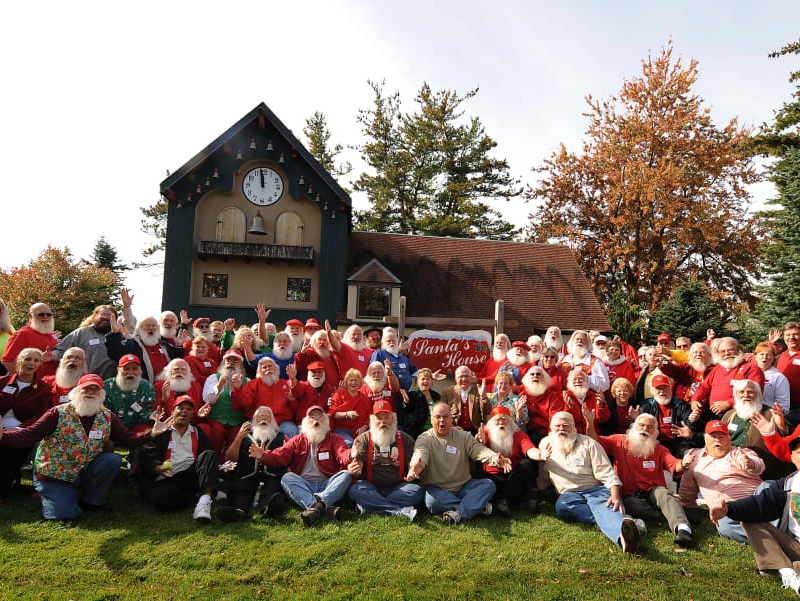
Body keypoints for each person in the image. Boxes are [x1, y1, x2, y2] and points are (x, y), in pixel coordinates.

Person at [0, 374, 171, 520]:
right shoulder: (57, 413)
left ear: (101, 394)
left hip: (82, 470)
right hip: (54, 474)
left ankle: (91, 501)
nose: (90, 392)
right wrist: (3, 436)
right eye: (86, 388)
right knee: (63, 515)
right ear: (76, 391)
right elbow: (29, 435)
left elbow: (128, 438)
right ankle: (57, 494)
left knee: (112, 459)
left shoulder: (107, 416)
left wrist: (152, 434)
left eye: (95, 389)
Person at [584, 411, 695, 547]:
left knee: (664, 495)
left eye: (650, 427)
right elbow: (594, 441)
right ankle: (676, 513)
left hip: (654, 489)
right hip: (629, 494)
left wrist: (684, 463)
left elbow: (675, 465)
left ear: (655, 432)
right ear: (633, 427)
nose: (645, 429)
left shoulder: (660, 449)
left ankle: (684, 529)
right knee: (634, 507)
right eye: (641, 425)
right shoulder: (618, 441)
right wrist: (590, 423)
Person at [709, 434, 800, 594]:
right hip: (794, 545)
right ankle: (788, 573)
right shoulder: (788, 484)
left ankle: (781, 566)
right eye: (799, 453)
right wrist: (728, 509)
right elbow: (760, 503)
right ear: (792, 457)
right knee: (749, 520)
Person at [538, 411, 641, 552]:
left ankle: (623, 539)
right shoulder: (545, 444)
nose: (561, 429)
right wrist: (539, 489)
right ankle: (619, 519)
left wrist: (615, 496)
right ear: (551, 428)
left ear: (573, 427)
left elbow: (607, 471)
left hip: (596, 489)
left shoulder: (588, 443)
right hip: (569, 495)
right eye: (557, 426)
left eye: (565, 426)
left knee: (609, 504)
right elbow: (544, 473)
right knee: (562, 507)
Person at [406, 401, 511, 525]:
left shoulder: (464, 436)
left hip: (464, 486)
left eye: (445, 416)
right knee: (432, 502)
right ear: (432, 419)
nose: (441, 420)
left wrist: (495, 458)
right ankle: (475, 506)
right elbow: (420, 454)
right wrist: (415, 467)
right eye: (437, 417)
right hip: (438, 490)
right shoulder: (425, 438)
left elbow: (479, 451)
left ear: (452, 419)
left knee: (488, 485)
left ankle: (461, 512)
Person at [249, 405, 352, 526]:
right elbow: (280, 455)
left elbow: (343, 454)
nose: (316, 419)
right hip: (304, 485)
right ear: (305, 421)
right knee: (287, 478)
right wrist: (263, 456)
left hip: (327, 484)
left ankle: (316, 506)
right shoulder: (298, 440)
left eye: (319, 416)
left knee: (346, 475)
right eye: (312, 416)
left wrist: (351, 455)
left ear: (326, 420)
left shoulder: (334, 439)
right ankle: (323, 507)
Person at [679, 420, 765, 543]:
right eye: (713, 437)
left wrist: (750, 464)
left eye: (721, 437)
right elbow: (686, 490)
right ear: (705, 438)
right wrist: (686, 507)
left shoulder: (740, 452)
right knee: (725, 527)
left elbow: (759, 465)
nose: (717, 440)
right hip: (727, 508)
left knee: (770, 489)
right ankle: (770, 539)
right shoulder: (694, 459)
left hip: (756, 499)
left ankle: (783, 529)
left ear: (729, 439)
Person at [136, 394, 219, 522]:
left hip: (192, 474)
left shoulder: (196, 431)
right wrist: (158, 467)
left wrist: (219, 466)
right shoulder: (162, 430)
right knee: (160, 499)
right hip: (168, 477)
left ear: (192, 414)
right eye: (180, 408)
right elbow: (147, 455)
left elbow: (208, 455)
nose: (184, 412)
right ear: (172, 411)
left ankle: (204, 502)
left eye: (188, 409)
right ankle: (201, 495)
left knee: (209, 454)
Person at [347, 400, 423, 519]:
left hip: (398, 488)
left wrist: (412, 472)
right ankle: (400, 511)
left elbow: (411, 466)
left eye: (386, 417)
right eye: (379, 418)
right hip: (371, 487)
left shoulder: (405, 439)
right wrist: (353, 469)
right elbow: (358, 467)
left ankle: (369, 506)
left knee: (416, 491)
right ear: (372, 421)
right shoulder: (364, 439)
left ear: (393, 419)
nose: (383, 422)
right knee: (355, 489)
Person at [0, 348, 53, 504]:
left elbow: (40, 416)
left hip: (24, 432)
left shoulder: (44, 388)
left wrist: (17, 430)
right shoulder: (2, 381)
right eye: (28, 359)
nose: (31, 363)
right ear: (19, 361)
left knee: (10, 449)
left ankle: (1, 492)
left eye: (36, 360)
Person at [217, 406, 287, 522]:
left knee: (272, 487)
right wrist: (239, 438)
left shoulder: (280, 436)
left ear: (272, 420)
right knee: (241, 487)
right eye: (260, 416)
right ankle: (239, 512)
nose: (263, 419)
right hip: (247, 475)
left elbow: (286, 457)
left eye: (267, 416)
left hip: (271, 474)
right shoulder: (244, 436)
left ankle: (268, 510)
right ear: (254, 420)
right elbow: (229, 458)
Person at [721, 379, 793, 480]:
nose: (746, 395)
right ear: (735, 395)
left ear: (758, 395)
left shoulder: (772, 414)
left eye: (750, 392)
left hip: (767, 475)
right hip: (735, 474)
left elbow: (791, 444)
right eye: (741, 392)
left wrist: (781, 426)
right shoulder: (728, 416)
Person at [478, 406, 539, 515]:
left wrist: (541, 455)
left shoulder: (519, 434)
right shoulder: (486, 433)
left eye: (504, 419)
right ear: (492, 422)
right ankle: (506, 500)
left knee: (526, 464)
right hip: (494, 475)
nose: (501, 422)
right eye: (498, 420)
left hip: (513, 475)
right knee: (481, 474)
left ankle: (502, 500)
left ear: (510, 422)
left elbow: (529, 449)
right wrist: (481, 441)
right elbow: (478, 449)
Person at [691, 337, 765, 420]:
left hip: (739, 415)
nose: (727, 353)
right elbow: (704, 387)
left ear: (739, 350)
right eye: (723, 351)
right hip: (715, 415)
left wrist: (728, 403)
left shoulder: (751, 368)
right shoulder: (718, 368)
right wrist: (695, 400)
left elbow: (755, 392)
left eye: (730, 350)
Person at [634, 374, 701, 458]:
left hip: (678, 442)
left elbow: (690, 427)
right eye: (658, 388)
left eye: (665, 387)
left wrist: (693, 421)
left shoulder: (681, 405)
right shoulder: (646, 406)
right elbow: (640, 428)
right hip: (655, 442)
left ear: (670, 388)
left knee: (690, 453)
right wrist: (635, 419)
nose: (662, 391)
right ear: (652, 390)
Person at [53, 305, 125, 380]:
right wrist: (53, 356)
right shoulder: (82, 332)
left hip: (113, 384)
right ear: (95, 315)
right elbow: (61, 350)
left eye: (109, 315)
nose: (106, 317)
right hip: (87, 383)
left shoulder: (121, 336)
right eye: (103, 314)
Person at [105, 314, 184, 382]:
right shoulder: (132, 344)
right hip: (143, 391)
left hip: (164, 390)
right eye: (147, 325)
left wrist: (179, 346)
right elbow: (115, 354)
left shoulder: (164, 345)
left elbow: (178, 361)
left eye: (153, 326)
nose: (151, 328)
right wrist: (114, 334)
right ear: (139, 329)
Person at [232, 356, 296, 439]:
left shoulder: (286, 384)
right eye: (264, 367)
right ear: (259, 371)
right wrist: (237, 390)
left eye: (270, 366)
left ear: (276, 368)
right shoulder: (253, 384)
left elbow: (295, 408)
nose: (267, 369)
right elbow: (242, 405)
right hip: (259, 421)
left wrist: (292, 401)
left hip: (281, 421)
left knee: (292, 430)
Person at [201, 350, 248, 455]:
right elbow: (208, 400)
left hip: (237, 421)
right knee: (217, 432)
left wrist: (239, 389)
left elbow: (247, 405)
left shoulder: (247, 381)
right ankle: (214, 461)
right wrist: (219, 386)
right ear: (223, 363)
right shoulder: (213, 378)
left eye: (235, 361)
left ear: (240, 365)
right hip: (217, 419)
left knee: (237, 436)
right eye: (228, 360)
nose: (231, 363)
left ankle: (228, 466)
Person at [1, 303, 60, 377]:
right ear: (30, 316)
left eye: (49, 315)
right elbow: (8, 362)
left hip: (53, 383)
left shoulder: (51, 333)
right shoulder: (22, 334)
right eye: (41, 314)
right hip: (36, 386)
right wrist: (27, 381)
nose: (45, 317)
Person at [103, 354, 156, 434]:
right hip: (112, 428)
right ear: (118, 369)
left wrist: (150, 416)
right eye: (126, 369)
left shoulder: (146, 386)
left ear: (140, 370)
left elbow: (146, 410)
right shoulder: (107, 385)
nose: (130, 372)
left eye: (134, 369)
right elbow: (103, 411)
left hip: (136, 428)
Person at [441, 365, 492, 434]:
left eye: (466, 376)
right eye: (461, 376)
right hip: (454, 431)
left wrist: (483, 396)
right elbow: (441, 414)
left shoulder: (478, 390)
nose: (464, 379)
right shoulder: (447, 392)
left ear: (471, 378)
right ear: (456, 379)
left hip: (475, 430)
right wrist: (451, 426)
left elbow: (487, 411)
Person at [328, 368, 371, 447]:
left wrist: (363, 428)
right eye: (351, 380)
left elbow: (369, 417)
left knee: (364, 446)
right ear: (346, 382)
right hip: (341, 430)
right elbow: (333, 414)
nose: (353, 383)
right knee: (350, 445)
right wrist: (346, 414)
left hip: (359, 431)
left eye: (356, 380)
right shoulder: (339, 394)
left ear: (360, 382)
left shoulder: (365, 398)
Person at [519, 366, 562, 444]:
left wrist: (551, 437)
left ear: (544, 378)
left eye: (538, 374)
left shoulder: (552, 397)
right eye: (532, 374)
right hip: (527, 434)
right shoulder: (522, 396)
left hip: (547, 433)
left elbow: (555, 419)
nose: (535, 376)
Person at [562, 368, 611, 435]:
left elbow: (603, 420)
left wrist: (601, 406)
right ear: (569, 382)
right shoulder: (563, 397)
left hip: (593, 435)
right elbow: (563, 421)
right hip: (573, 436)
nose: (578, 381)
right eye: (574, 379)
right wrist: (570, 408)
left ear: (586, 381)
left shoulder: (594, 396)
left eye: (580, 379)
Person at [369, 328, 418, 392]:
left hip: (404, 395)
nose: (391, 342)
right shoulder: (379, 354)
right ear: (382, 343)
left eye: (393, 341)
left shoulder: (402, 357)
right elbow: (372, 373)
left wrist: (431, 375)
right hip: (386, 395)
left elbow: (415, 371)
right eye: (388, 341)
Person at [401, 368, 440, 439]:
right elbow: (406, 410)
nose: (425, 381)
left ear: (431, 382)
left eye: (428, 379)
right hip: (417, 434)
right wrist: (406, 402)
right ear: (418, 382)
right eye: (423, 379)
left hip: (435, 432)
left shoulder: (436, 396)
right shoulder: (412, 395)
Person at [754, 341, 791, 414]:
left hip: (767, 415)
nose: (765, 357)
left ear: (773, 359)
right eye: (761, 354)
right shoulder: (747, 373)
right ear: (755, 357)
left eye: (769, 355)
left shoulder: (779, 378)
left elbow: (784, 406)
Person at [777, 323, 800, 427]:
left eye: (795, 334)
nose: (791, 337)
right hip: (783, 408)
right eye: (788, 335)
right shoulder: (782, 355)